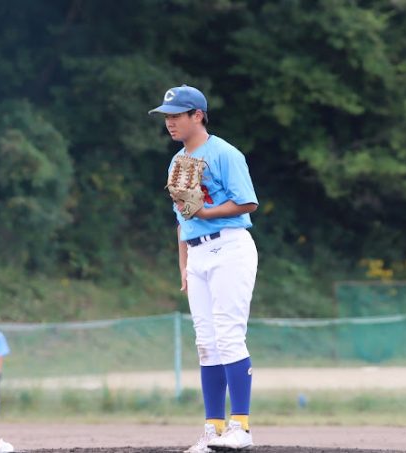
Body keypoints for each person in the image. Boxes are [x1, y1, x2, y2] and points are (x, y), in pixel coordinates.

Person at [149, 85, 259, 452]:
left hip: (229, 247)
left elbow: (247, 202)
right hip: (197, 254)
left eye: (176, 115)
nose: (170, 122)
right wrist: (183, 264)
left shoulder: (225, 153)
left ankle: (240, 427)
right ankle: (213, 430)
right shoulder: (177, 161)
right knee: (206, 344)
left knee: (228, 336)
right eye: (166, 117)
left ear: (197, 115)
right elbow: (182, 218)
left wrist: (207, 212)